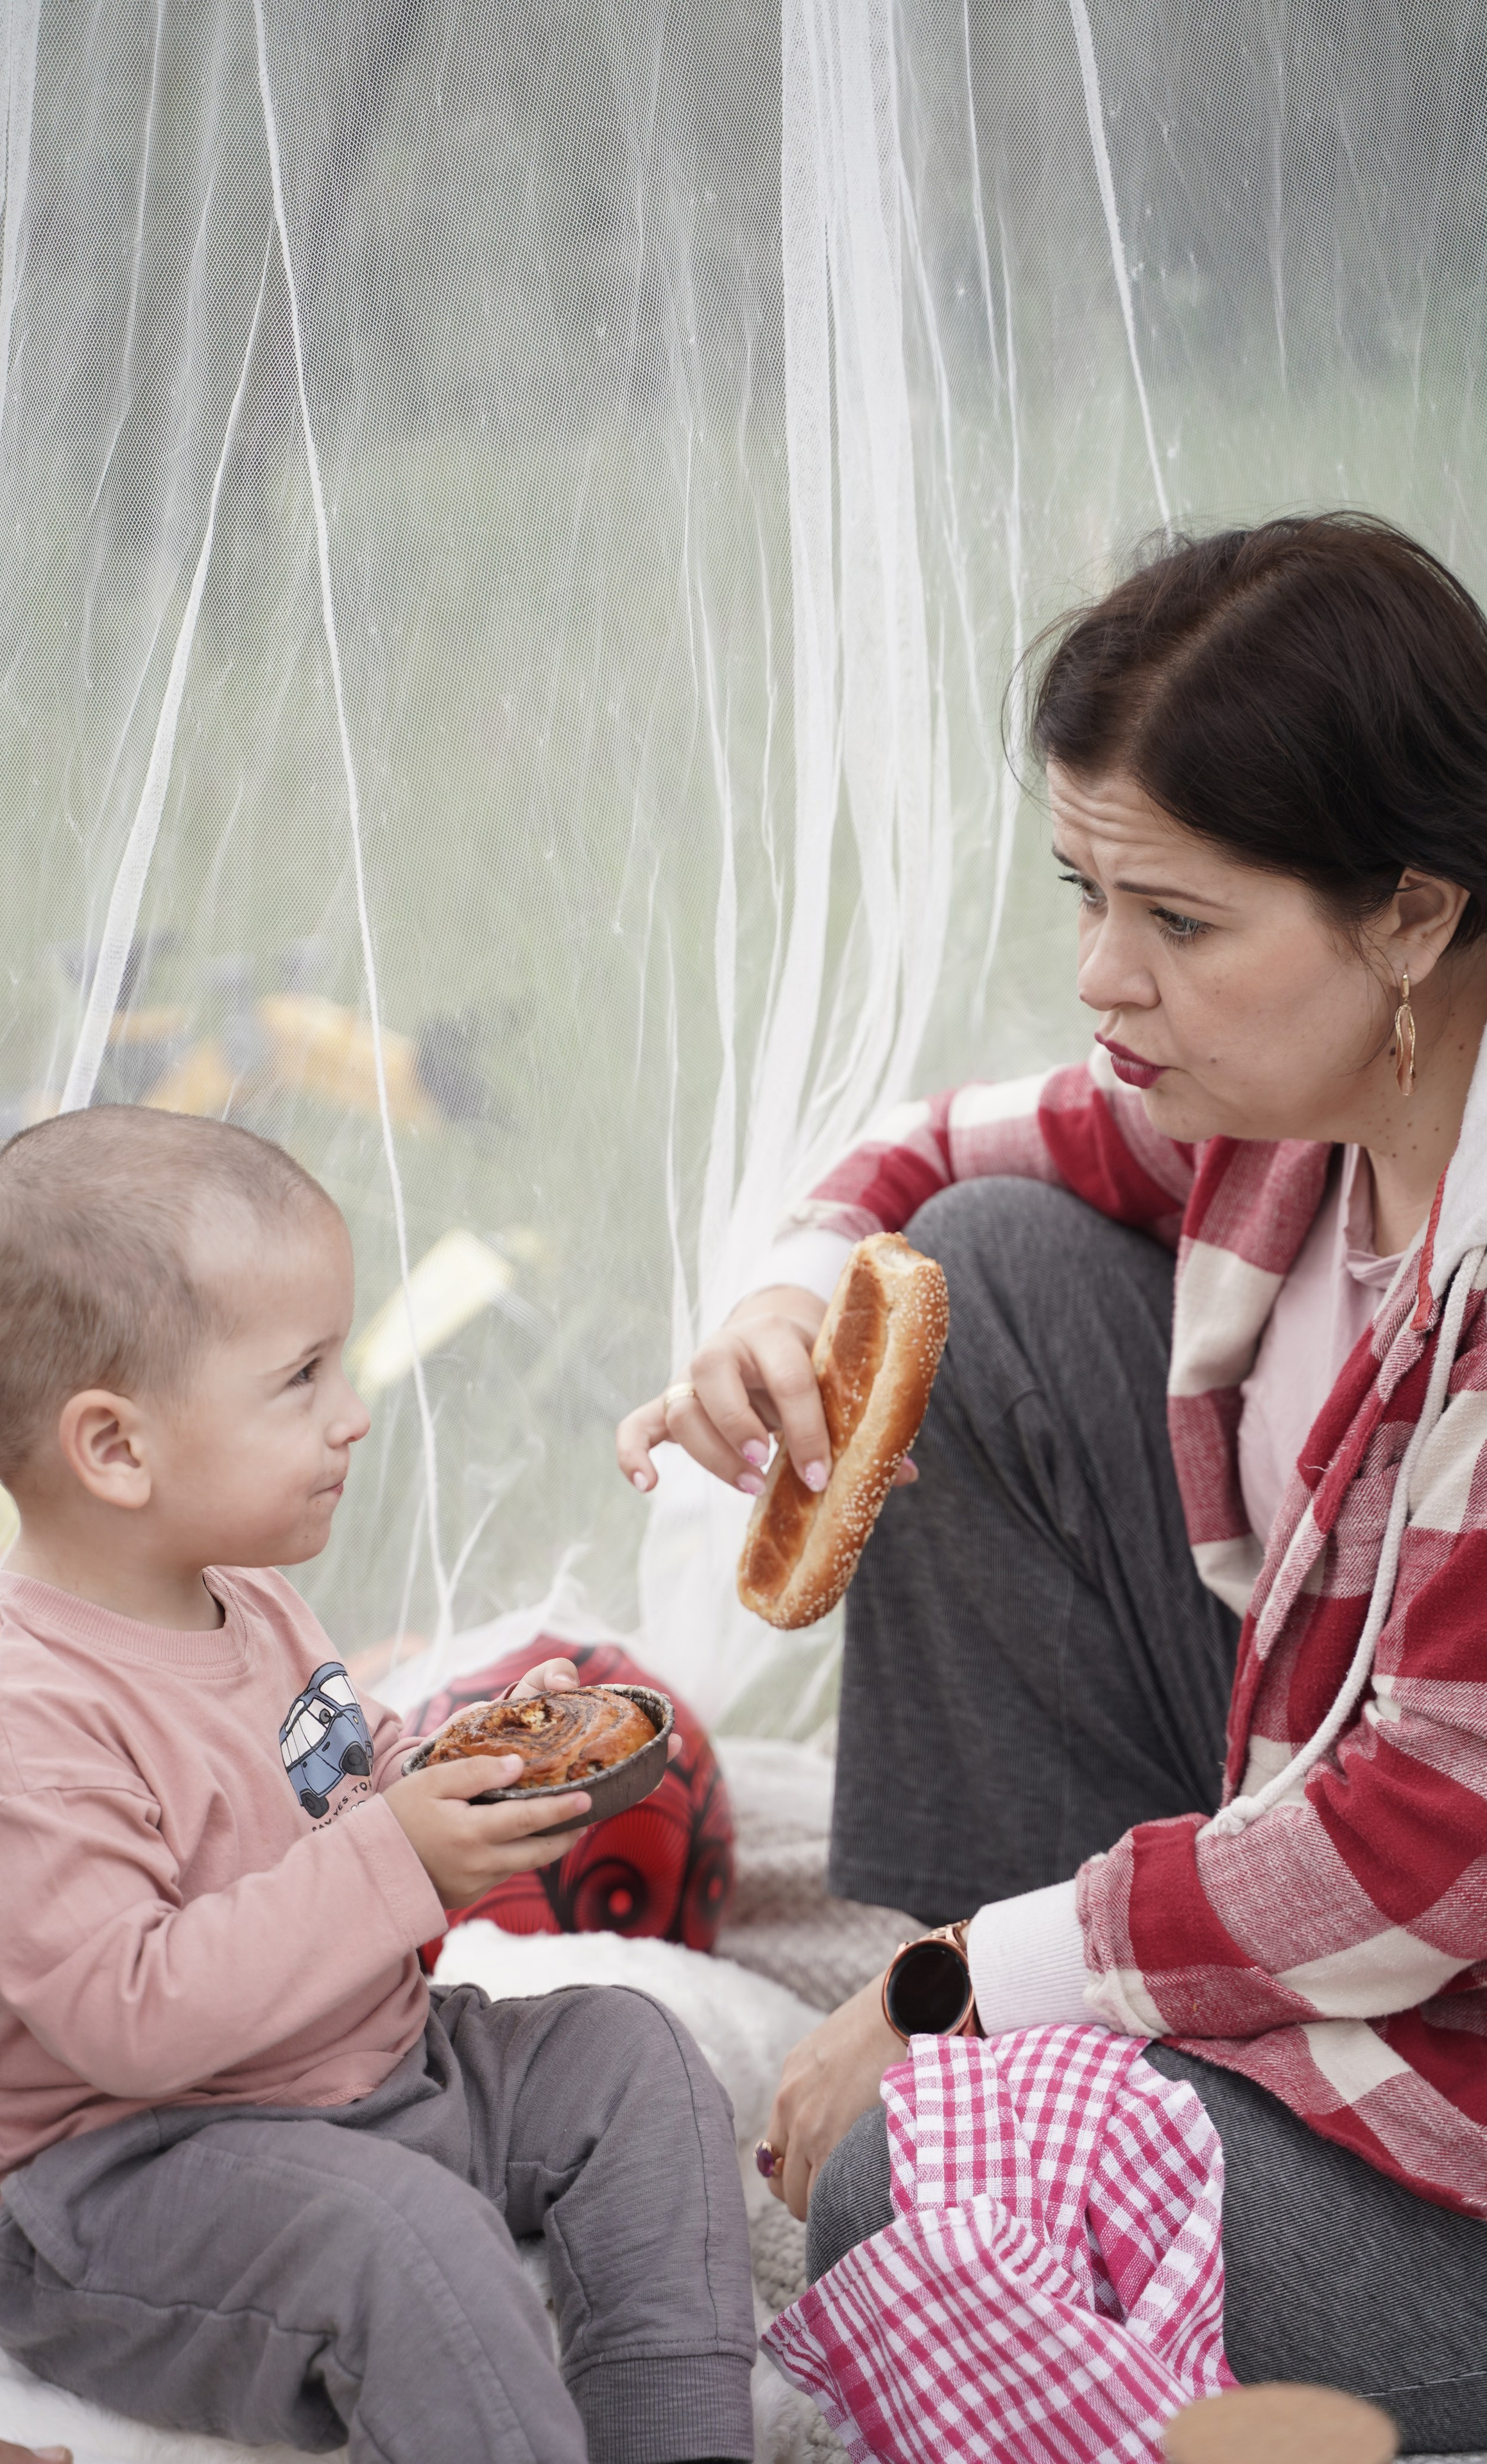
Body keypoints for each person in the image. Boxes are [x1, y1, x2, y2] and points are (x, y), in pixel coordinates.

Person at [619, 513, 1487, 2456]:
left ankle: (971, 2069)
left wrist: (965, 1979)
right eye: (1084, 890)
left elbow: (1426, 1854)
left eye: (1178, 923)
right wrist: (785, 1291)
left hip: (1462, 2083)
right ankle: (996, 2046)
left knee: (929, 2211)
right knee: (979, 1279)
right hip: (1312, 1814)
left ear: (1417, 916)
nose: (1106, 976)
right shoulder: (1305, 1113)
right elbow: (925, 1150)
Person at [0, 1106, 754, 2464]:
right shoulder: (20, 1721)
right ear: (115, 1449)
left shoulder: (247, 1600)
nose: (350, 1416)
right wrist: (394, 1861)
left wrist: (452, 1782)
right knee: (404, 2244)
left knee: (627, 2056)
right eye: (298, 1379)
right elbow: (133, 2021)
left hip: (374, 2075)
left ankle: (671, 2438)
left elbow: (337, 1782)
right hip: (131, 2179)